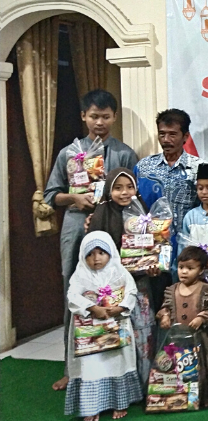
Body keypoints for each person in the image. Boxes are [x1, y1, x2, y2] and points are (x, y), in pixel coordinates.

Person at [45, 89, 139, 392]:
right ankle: (71, 368)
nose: (100, 122)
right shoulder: (69, 153)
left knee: (115, 289)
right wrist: (74, 198)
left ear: (114, 117)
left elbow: (132, 195)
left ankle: (116, 364)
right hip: (76, 226)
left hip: (113, 226)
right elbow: (51, 196)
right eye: (94, 116)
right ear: (84, 116)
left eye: (106, 116)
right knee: (74, 289)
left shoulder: (124, 153)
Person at [64, 232, 142, 421]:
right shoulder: (80, 275)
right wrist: (93, 308)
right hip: (90, 333)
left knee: (118, 362)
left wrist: (120, 308)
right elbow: (72, 296)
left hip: (116, 326)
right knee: (91, 366)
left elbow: (131, 292)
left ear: (110, 253)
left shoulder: (119, 272)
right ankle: (92, 406)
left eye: (101, 253)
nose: (96, 258)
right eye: (90, 254)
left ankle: (120, 403)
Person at [87, 168, 155, 385]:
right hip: (111, 290)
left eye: (129, 187)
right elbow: (92, 257)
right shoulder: (101, 216)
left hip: (140, 285)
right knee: (115, 334)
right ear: (109, 190)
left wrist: (153, 266)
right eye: (118, 188)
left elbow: (154, 248)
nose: (124, 192)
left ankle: (143, 383)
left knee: (143, 333)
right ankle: (118, 386)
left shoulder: (143, 214)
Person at [133, 109, 203, 307]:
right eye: (162, 134)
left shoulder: (198, 168)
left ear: (185, 136)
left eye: (172, 134)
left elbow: (205, 208)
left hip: (186, 249)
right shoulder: (143, 168)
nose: (166, 140)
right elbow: (133, 208)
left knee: (186, 308)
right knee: (156, 306)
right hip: (152, 250)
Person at [157, 246, 208, 407]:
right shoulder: (172, 290)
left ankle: (205, 397)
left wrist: (202, 317)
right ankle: (179, 396)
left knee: (205, 366)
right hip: (177, 339)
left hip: (201, 338)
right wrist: (165, 316)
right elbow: (165, 307)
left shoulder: (205, 289)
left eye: (190, 268)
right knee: (178, 367)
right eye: (181, 267)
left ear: (201, 270)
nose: (184, 272)